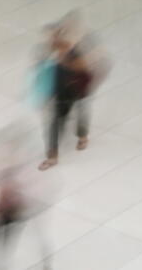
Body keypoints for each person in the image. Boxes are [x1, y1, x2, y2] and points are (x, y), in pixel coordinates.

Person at [39, 14, 107, 170]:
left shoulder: (76, 52)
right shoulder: (56, 46)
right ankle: (52, 156)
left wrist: (65, 61)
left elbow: (83, 67)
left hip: (75, 89)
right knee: (55, 123)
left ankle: (82, 135)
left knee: (81, 112)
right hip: (60, 90)